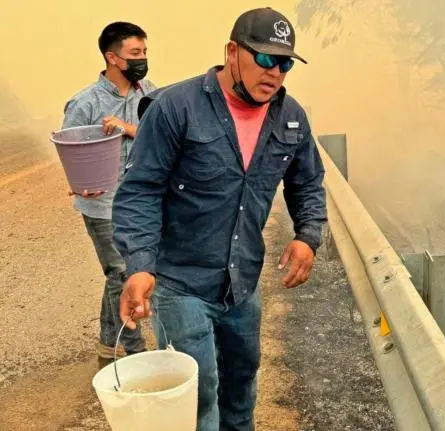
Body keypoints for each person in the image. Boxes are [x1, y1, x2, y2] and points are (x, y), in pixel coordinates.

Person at [112, 7, 326, 430]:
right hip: (181, 281)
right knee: (200, 395)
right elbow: (140, 191)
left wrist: (308, 235)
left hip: (242, 283)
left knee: (241, 385)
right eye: (265, 58)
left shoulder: (292, 117)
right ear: (232, 51)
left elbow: (308, 183)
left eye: (285, 63)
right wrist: (139, 265)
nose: (276, 72)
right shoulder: (176, 108)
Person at [61, 21, 156, 366]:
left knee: (119, 273)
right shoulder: (85, 103)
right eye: (135, 53)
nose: (142, 59)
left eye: (144, 52)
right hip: (101, 205)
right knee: (122, 272)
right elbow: (69, 147)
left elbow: (160, 132)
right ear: (112, 57)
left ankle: (107, 343)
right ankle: (135, 354)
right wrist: (78, 179)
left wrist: (126, 128)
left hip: (139, 201)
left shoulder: (149, 92)